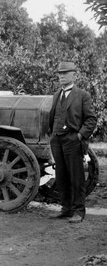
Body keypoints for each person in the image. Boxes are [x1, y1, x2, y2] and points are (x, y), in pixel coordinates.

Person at [49, 62, 96, 223]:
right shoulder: (56, 95)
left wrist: (79, 136)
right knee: (61, 176)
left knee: (76, 177)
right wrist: (53, 135)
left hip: (73, 140)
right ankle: (66, 209)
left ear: (74, 75)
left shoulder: (83, 95)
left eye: (65, 73)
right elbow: (53, 117)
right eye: (60, 74)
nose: (61, 76)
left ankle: (79, 211)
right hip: (57, 140)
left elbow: (91, 120)